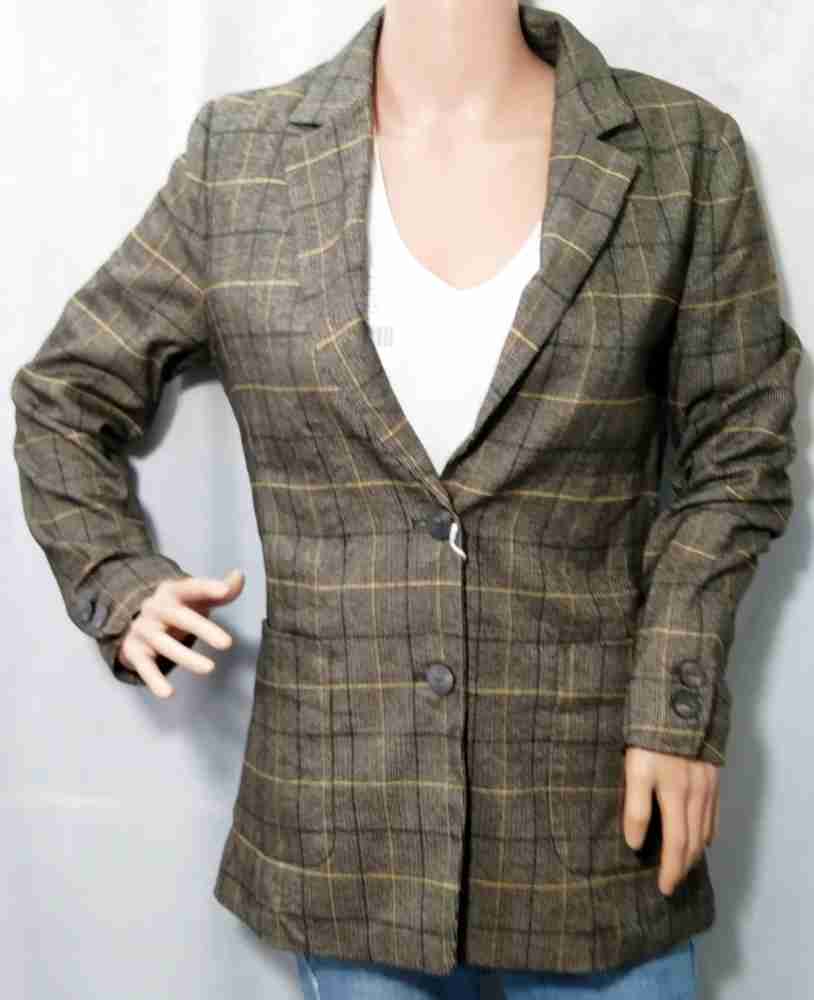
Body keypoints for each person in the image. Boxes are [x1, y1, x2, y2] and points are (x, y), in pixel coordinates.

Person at [10, 2, 802, 997]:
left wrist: (677, 704)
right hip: (347, 823)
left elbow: (740, 443)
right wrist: (118, 582)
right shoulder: (240, 160)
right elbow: (64, 394)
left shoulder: (680, 153)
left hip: (600, 816)